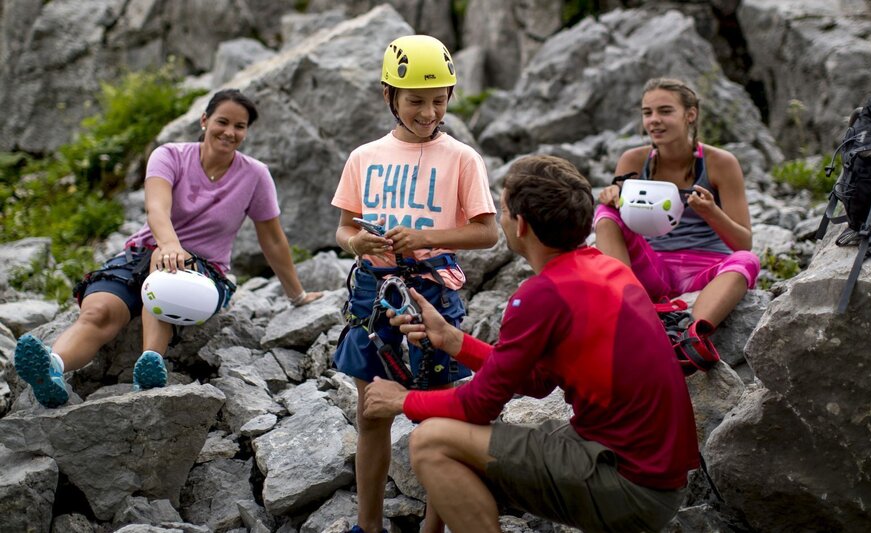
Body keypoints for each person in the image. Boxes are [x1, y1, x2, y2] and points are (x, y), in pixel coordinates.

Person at [364, 154, 700, 533]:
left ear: (521, 224)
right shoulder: (604, 267)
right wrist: (453, 340)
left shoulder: (542, 295)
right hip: (654, 478)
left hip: (630, 487)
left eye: (504, 208)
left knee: (430, 441)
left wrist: (397, 400)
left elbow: (478, 404)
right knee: (459, 442)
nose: (502, 218)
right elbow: (538, 382)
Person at [14, 88, 322, 409]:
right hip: (144, 253)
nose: (230, 132)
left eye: (240, 126)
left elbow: (272, 239)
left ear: (246, 132)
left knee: (165, 277)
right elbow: (157, 208)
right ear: (204, 120)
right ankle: (52, 369)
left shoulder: (255, 175)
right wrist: (169, 244)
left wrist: (296, 295)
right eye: (223, 121)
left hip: (203, 270)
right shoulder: (170, 155)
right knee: (98, 312)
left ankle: (150, 365)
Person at [330, 35, 497, 533]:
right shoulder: (364, 156)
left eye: (439, 100)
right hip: (373, 292)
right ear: (389, 96)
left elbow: (488, 232)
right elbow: (344, 228)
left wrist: (424, 235)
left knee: (441, 419)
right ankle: (369, 525)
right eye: (416, 101)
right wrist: (356, 244)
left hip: (431, 295)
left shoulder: (462, 158)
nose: (429, 112)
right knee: (371, 415)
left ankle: (432, 529)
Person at [595, 77, 760, 327]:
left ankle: (690, 335)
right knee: (605, 211)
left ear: (690, 114)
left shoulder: (720, 163)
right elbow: (617, 219)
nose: (654, 120)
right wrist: (611, 196)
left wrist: (711, 212)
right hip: (653, 269)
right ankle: (628, 307)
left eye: (665, 111)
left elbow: (743, 243)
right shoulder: (633, 161)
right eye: (647, 113)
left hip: (707, 270)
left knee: (748, 261)